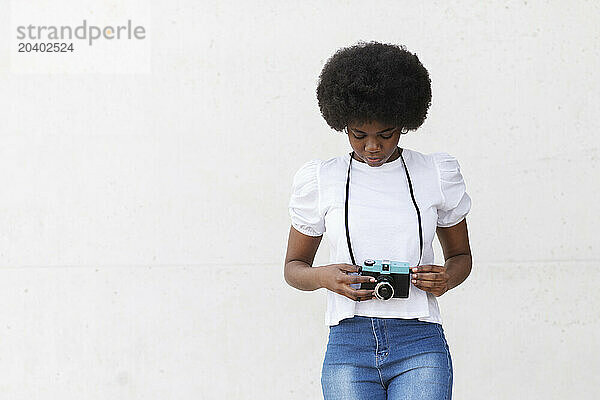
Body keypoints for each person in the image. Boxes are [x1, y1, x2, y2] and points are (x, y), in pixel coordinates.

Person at [283, 41, 473, 400]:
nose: (373, 146)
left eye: (386, 134)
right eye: (359, 135)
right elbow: (293, 268)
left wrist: (445, 278)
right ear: (342, 124)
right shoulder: (322, 180)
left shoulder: (435, 172)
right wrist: (325, 277)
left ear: (404, 122)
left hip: (419, 340)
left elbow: (462, 258)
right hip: (348, 343)